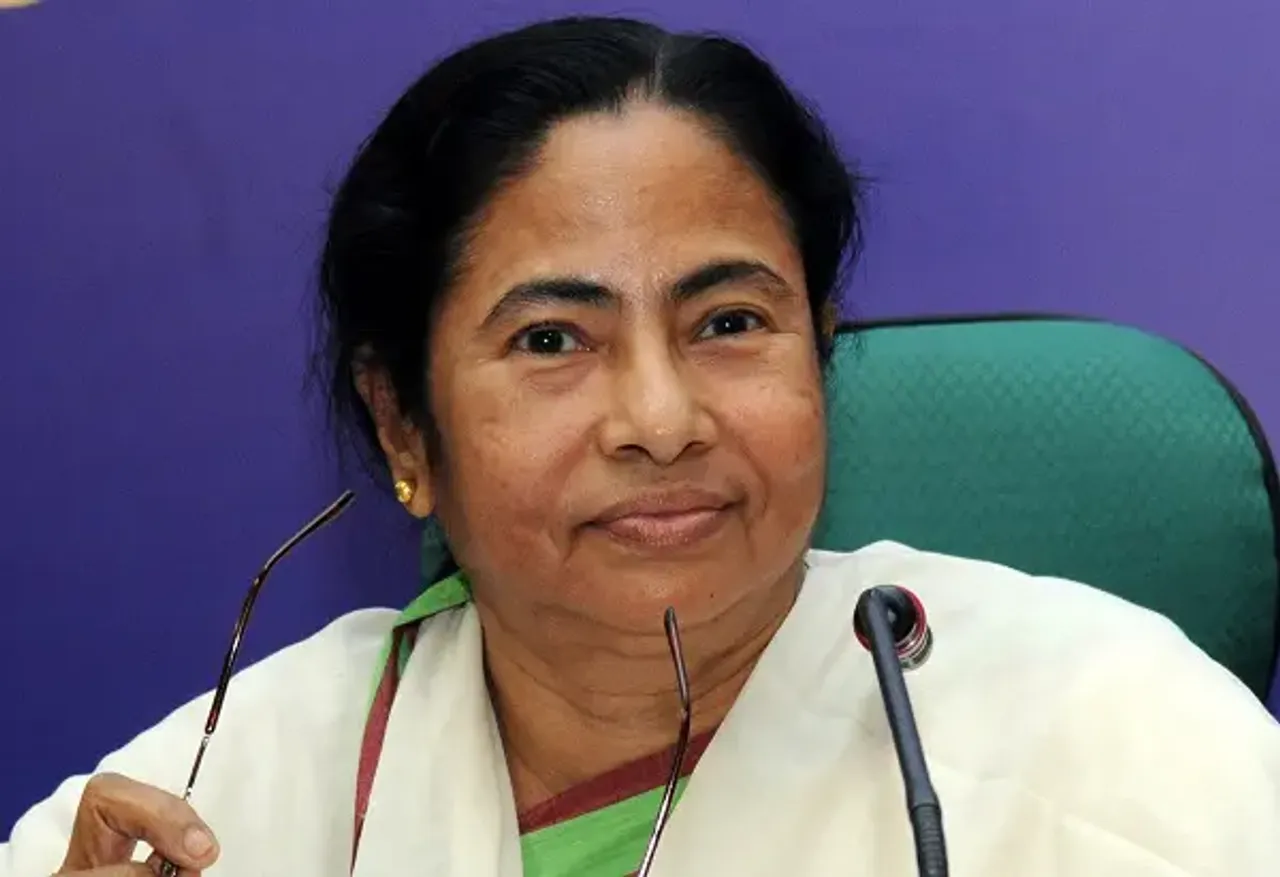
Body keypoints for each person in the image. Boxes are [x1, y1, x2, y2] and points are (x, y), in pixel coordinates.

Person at [4, 14, 1280, 877]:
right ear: (405, 423)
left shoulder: (1114, 743)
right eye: (552, 340)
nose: (662, 421)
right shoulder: (218, 805)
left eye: (729, 322)